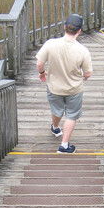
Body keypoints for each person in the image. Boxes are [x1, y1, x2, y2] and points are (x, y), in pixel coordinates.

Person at [36, 13, 93, 153]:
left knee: (56, 109)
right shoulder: (83, 51)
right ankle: (64, 145)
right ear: (79, 31)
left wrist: (43, 73)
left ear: (64, 27)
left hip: (54, 87)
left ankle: (55, 128)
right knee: (71, 115)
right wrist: (83, 77)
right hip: (74, 89)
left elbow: (39, 63)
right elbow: (88, 73)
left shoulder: (50, 44)